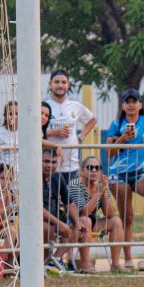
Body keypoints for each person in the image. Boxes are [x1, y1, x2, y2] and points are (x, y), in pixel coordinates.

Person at [103, 89, 144, 270]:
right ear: (123, 105)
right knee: (127, 217)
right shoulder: (116, 124)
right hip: (118, 174)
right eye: (127, 101)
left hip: (140, 172)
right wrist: (122, 138)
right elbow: (108, 153)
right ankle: (128, 258)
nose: (130, 104)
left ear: (140, 104)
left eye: (134, 101)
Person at [45, 69, 96, 207]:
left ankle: (76, 228)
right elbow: (35, 132)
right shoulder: (44, 106)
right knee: (53, 205)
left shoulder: (75, 106)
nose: (60, 85)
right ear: (50, 84)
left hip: (72, 165)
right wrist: (54, 132)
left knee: (76, 205)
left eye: (63, 82)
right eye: (56, 82)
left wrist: (80, 137)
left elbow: (92, 120)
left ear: (68, 85)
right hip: (50, 166)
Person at [74, 156, 125, 272]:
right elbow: (83, 212)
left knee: (116, 221)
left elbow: (110, 214)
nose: (94, 171)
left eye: (97, 168)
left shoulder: (100, 186)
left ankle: (115, 264)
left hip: (90, 222)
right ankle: (85, 263)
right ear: (82, 171)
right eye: (90, 167)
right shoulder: (76, 185)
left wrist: (102, 192)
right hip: (73, 223)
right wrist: (98, 193)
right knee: (86, 220)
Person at [39, 147, 86, 271]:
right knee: (46, 227)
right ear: (39, 160)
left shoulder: (58, 177)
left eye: (54, 162)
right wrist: (59, 224)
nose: (50, 165)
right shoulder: (33, 177)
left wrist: (77, 223)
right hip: (36, 222)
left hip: (55, 220)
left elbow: (69, 204)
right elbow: (37, 209)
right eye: (46, 161)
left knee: (81, 226)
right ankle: (41, 265)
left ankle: (51, 262)